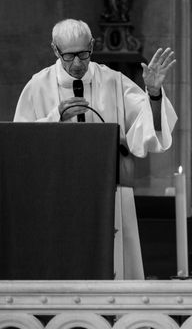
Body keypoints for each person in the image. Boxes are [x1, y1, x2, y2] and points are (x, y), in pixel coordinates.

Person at [14, 18, 178, 279]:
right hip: (58, 197)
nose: (77, 63)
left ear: (92, 46)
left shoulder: (114, 81)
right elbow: (21, 147)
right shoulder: (37, 86)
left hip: (109, 192)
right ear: (55, 50)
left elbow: (149, 127)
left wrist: (154, 92)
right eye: (69, 56)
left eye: (84, 54)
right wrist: (55, 117)